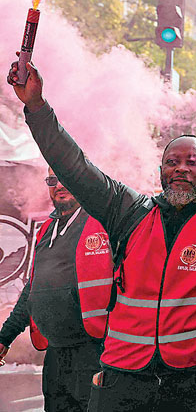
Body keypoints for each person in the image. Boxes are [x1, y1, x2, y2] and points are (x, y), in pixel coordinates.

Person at [7, 61, 196, 412]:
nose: (181, 168)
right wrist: (36, 106)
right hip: (124, 377)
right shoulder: (129, 211)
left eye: (194, 162)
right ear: (160, 170)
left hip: (194, 383)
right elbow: (73, 166)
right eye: (172, 161)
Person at [0, 168, 112, 411]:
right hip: (55, 355)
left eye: (66, 177)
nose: (59, 185)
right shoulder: (47, 228)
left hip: (94, 353)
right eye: (53, 180)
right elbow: (34, 289)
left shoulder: (103, 222)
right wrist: (5, 336)